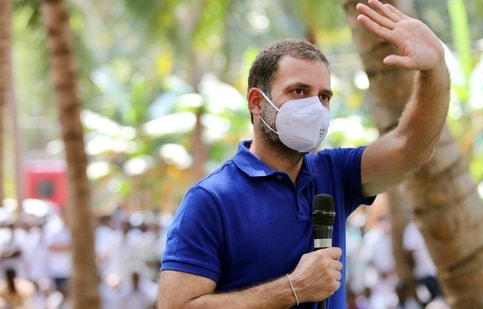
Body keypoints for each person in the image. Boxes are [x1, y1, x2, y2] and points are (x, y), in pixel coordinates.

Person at [158, 0, 450, 308]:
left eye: (323, 96)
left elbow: (412, 146)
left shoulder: (335, 173)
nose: (315, 108)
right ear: (257, 102)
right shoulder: (211, 199)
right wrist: (293, 288)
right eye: (299, 91)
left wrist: (435, 69)